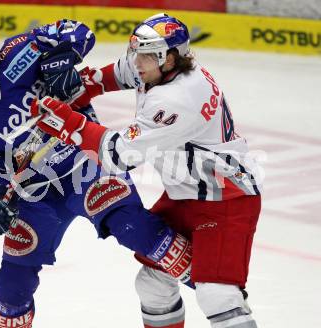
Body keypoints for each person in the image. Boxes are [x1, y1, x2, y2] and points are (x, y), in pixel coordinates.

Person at [0, 20, 194, 328]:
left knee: (138, 231)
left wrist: (62, 58)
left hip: (86, 166)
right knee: (11, 287)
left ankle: (217, 292)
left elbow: (79, 31)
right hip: (36, 195)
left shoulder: (20, 52)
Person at [35, 13, 262, 328]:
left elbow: (118, 155)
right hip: (187, 194)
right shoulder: (161, 68)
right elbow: (118, 73)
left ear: (170, 58)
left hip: (226, 200)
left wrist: (69, 123)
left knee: (217, 295)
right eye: (136, 52)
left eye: (146, 56)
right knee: (153, 284)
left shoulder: (177, 99)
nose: (137, 62)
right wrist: (81, 88)